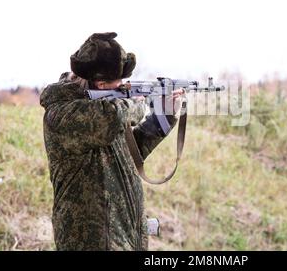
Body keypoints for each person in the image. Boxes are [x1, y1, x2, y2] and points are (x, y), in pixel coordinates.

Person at [39, 32, 184, 250]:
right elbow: (114, 117)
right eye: (116, 86)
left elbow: (130, 152)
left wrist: (165, 115)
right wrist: (138, 104)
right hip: (89, 242)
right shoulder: (62, 115)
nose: (122, 89)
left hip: (122, 235)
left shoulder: (104, 112)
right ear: (100, 84)